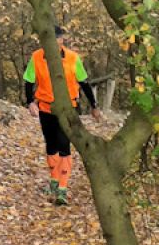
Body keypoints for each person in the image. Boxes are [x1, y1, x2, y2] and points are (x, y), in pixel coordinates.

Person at [24, 25, 101, 205]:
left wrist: (94, 106)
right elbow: (28, 81)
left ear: (62, 40)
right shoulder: (37, 57)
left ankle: (62, 189)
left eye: (58, 38)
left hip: (68, 109)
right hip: (45, 107)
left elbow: (84, 83)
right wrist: (30, 103)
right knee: (51, 144)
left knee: (64, 144)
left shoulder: (73, 58)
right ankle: (53, 181)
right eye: (51, 39)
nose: (56, 42)